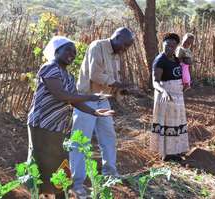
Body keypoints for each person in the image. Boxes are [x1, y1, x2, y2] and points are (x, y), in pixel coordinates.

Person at [27, 36, 114, 199]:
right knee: (40, 161)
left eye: (74, 52)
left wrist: (95, 113)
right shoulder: (49, 68)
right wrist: (90, 97)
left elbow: (73, 100)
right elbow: (61, 95)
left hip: (57, 126)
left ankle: (60, 194)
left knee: (59, 162)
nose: (72, 54)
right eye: (68, 50)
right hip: (41, 124)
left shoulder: (68, 76)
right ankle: (38, 194)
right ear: (57, 51)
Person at [69, 27, 135, 198]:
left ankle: (110, 174)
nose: (125, 50)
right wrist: (117, 84)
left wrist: (121, 90)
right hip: (85, 99)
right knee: (81, 141)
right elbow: (95, 74)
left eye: (128, 47)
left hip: (102, 99)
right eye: (125, 45)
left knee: (108, 137)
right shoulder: (97, 46)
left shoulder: (116, 54)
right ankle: (77, 184)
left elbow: (111, 81)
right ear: (118, 37)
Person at [150, 33, 189, 162]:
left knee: (176, 122)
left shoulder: (176, 59)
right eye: (167, 46)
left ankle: (175, 151)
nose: (169, 49)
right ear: (163, 45)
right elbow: (155, 81)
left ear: (176, 47)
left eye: (172, 46)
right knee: (167, 123)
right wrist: (163, 91)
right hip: (166, 96)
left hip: (177, 96)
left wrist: (184, 85)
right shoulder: (160, 60)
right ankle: (167, 153)